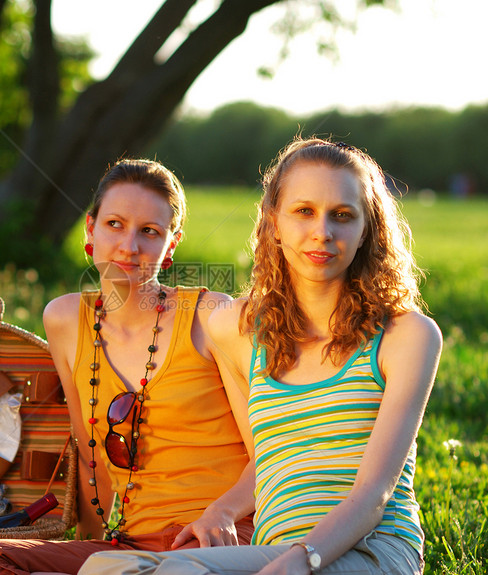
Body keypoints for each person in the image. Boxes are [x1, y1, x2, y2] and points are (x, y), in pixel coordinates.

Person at [77, 137, 443, 575]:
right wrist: (221, 511)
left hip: (371, 549)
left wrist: (302, 561)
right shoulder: (240, 331)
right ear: (273, 222)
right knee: (104, 567)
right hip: (273, 550)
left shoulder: (406, 336)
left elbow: (373, 495)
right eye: (304, 211)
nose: (322, 232)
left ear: (367, 229)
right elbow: (262, 457)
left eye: (342, 216)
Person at [0, 159, 254, 575]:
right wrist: (93, 548)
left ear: (171, 245)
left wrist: (222, 514)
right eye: (115, 224)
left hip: (216, 539)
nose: (129, 246)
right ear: (91, 229)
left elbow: (268, 450)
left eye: (150, 232)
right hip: (132, 547)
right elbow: (90, 455)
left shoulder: (209, 315)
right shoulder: (66, 320)